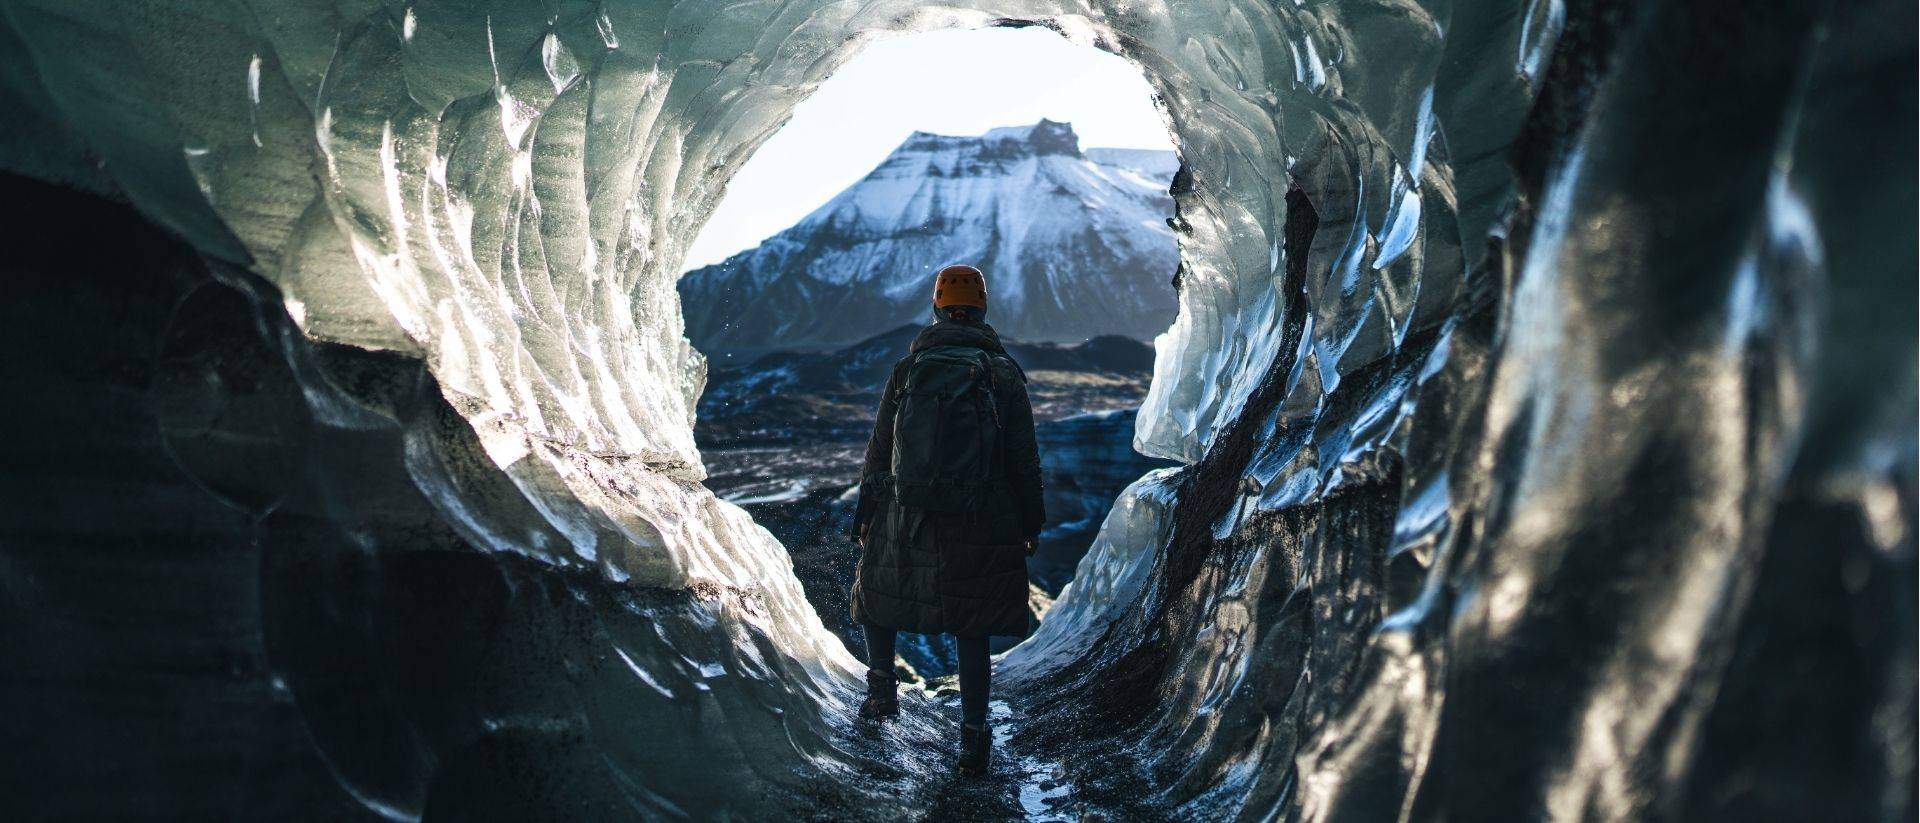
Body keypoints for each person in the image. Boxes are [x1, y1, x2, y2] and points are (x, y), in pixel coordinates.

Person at [848, 263, 1045, 776]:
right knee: (970, 623)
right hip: (982, 512)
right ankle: (974, 739)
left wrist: (867, 514)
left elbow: (879, 449)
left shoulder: (908, 369)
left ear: (937, 309)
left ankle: (881, 692)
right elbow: (1023, 458)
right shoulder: (1001, 372)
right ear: (982, 309)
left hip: (905, 509)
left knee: (881, 594)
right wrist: (1030, 521)